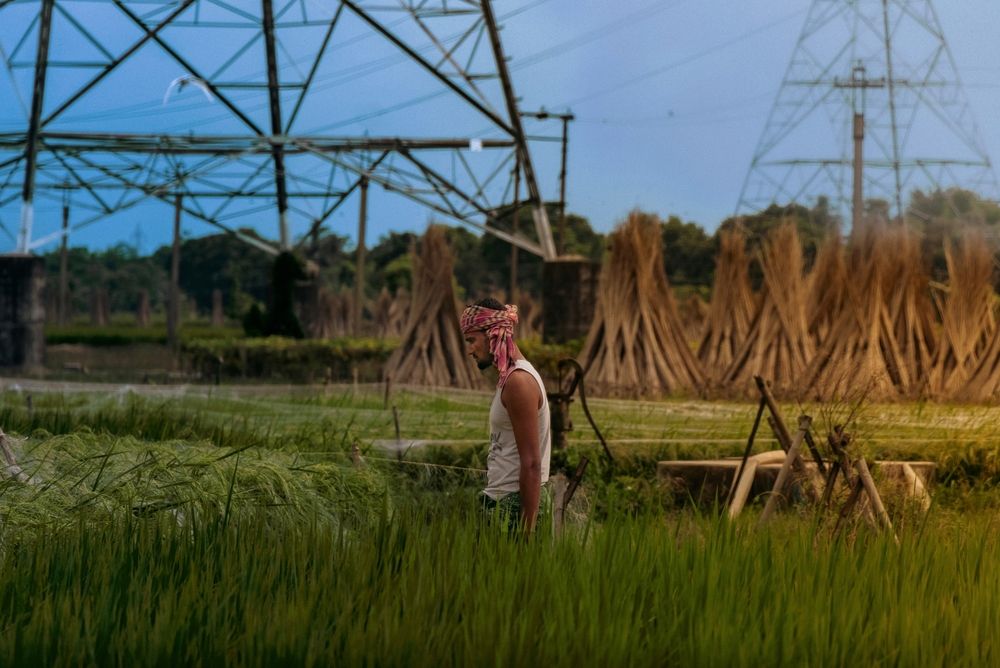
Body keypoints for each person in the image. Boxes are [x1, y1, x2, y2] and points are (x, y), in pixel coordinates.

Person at [460, 297, 551, 534]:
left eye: (472, 340)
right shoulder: (509, 378)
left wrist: (526, 532)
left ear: (494, 333)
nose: (470, 350)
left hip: (512, 506)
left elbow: (532, 463)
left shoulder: (519, 382)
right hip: (501, 500)